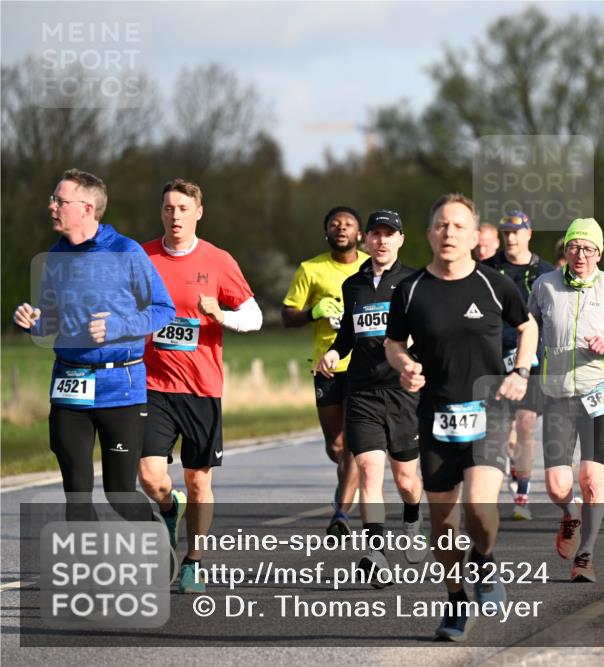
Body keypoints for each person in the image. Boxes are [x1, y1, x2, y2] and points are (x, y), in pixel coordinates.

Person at [385, 193, 538, 641]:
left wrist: (521, 371)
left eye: (458, 226)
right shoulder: (410, 290)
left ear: (475, 236)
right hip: (434, 415)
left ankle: (486, 562)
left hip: (487, 410)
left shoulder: (494, 285)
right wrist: (405, 366)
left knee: (478, 505)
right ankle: (456, 598)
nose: (449, 233)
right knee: (443, 523)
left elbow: (527, 327)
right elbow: (394, 344)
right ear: (430, 234)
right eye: (441, 225)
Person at [13, 169, 175, 527]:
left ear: (86, 209)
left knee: (119, 494)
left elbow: (164, 310)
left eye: (60, 200)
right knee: (76, 494)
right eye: (53, 199)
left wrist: (119, 327)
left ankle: (157, 535)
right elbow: (50, 322)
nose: (51, 206)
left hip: (121, 389)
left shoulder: (126, 252)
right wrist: (30, 320)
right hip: (70, 384)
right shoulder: (55, 257)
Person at [138, 179, 262, 593]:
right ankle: (168, 508)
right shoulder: (143, 257)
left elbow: (255, 317)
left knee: (199, 481)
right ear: (162, 212)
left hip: (201, 388)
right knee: (150, 476)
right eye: (169, 208)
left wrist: (221, 315)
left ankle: (194, 559)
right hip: (152, 384)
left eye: (183, 209)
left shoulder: (219, 260)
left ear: (198, 213)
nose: (176, 216)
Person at [528, 219, 604, 582]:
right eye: (574, 247)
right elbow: (527, 325)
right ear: (565, 250)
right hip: (557, 396)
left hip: (597, 395)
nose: (581, 255)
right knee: (557, 486)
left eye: (589, 249)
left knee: (593, 479)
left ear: (599, 253)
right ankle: (570, 513)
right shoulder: (544, 285)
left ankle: (586, 555)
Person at [315, 209, 425, 583]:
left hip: (402, 392)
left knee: (407, 481)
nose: (381, 241)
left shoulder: (414, 282)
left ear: (400, 240)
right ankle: (376, 552)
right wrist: (333, 352)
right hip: (361, 391)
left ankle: (412, 515)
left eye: (388, 234)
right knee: (368, 471)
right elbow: (348, 332)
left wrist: (418, 363)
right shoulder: (354, 284)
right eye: (375, 234)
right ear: (367, 241)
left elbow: (428, 335)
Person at [283, 206, 368, 535]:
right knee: (336, 445)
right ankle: (352, 475)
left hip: (363, 366)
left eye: (348, 224)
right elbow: (287, 316)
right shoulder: (311, 269)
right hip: (327, 366)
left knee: (355, 445)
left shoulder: (370, 266)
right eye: (335, 224)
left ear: (359, 234)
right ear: (327, 233)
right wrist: (313, 312)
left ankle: (342, 511)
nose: (341, 228)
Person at [484, 210, 554, 520]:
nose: (510, 237)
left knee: (525, 423)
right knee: (501, 432)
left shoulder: (545, 272)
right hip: (493, 357)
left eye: (516, 232)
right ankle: (504, 476)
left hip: (532, 358)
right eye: (506, 232)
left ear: (528, 234)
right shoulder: (486, 269)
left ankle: (522, 493)